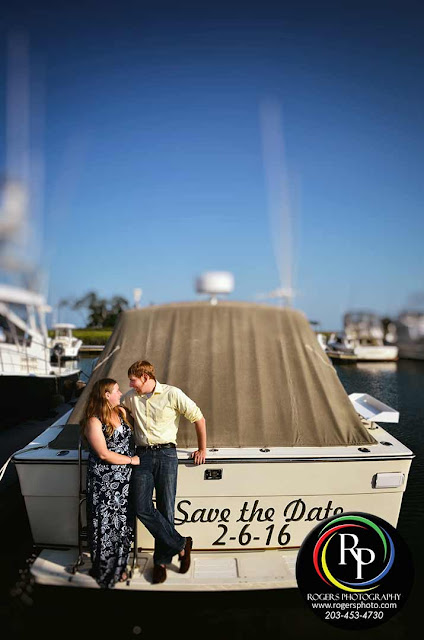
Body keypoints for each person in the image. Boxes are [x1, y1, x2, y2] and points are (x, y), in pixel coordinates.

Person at [121, 360, 207, 584]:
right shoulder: (130, 397)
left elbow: (198, 418)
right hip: (142, 456)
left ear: (146, 377)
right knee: (141, 506)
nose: (131, 384)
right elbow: (120, 411)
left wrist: (202, 448)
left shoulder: (172, 393)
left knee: (166, 508)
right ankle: (181, 544)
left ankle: (160, 561)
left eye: (134, 380)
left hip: (167, 455)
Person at [81, 378, 140, 589]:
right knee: (106, 526)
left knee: (123, 525)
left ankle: (120, 567)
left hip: (125, 481)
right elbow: (104, 454)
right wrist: (132, 460)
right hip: (104, 483)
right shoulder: (93, 421)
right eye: (116, 390)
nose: (120, 392)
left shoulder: (122, 413)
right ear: (106, 395)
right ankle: (106, 570)